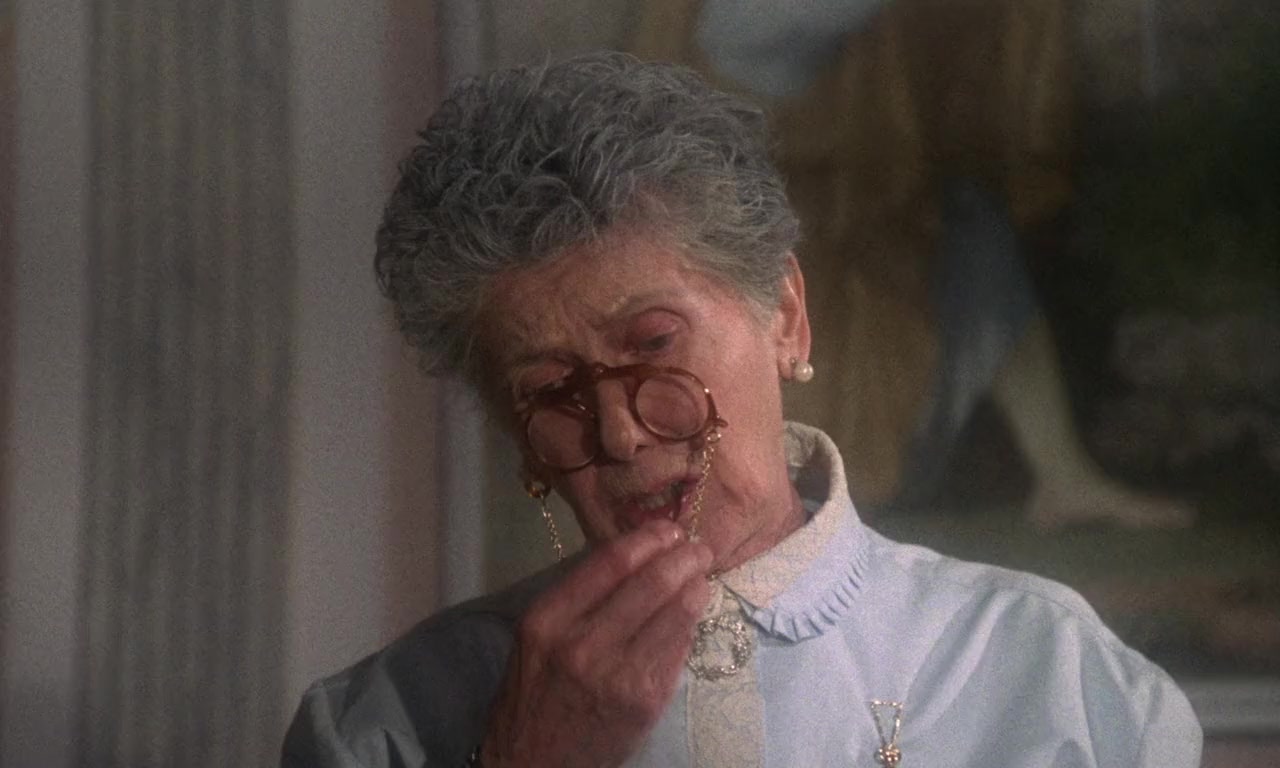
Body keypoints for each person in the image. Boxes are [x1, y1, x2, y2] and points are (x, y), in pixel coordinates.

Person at [282, 52, 1201, 767]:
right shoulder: (381, 725)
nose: (619, 432)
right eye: (550, 391)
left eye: (654, 342)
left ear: (786, 319)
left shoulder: (1055, 674)